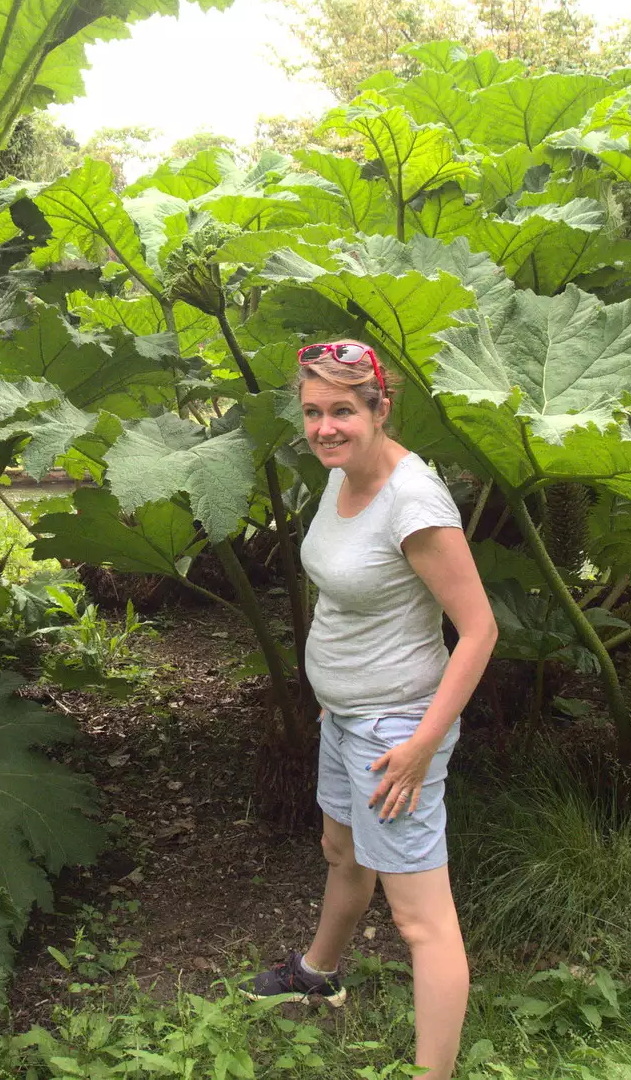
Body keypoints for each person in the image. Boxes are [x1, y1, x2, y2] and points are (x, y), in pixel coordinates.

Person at [244, 339, 497, 1080]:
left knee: (421, 921)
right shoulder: (343, 470)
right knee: (341, 852)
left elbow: (480, 630)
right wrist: (335, 697)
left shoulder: (413, 502)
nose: (325, 426)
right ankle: (319, 973)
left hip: (397, 728)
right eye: (315, 411)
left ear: (380, 410)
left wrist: (423, 741)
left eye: (344, 412)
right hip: (347, 715)